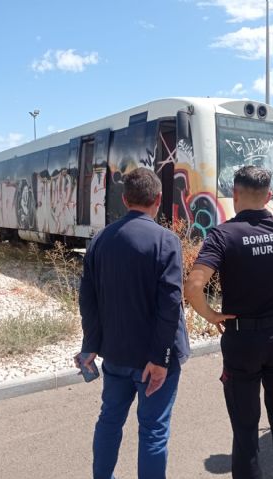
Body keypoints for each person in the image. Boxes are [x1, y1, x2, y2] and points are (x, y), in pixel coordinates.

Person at [185, 165, 273, 479]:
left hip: (243, 340)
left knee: (246, 429)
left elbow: (194, 286)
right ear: (269, 196)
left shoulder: (223, 235)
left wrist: (211, 316)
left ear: (234, 194)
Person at [76, 167, 190, 479]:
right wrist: (160, 357)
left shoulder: (99, 241)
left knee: (109, 421)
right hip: (156, 360)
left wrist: (91, 346)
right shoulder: (166, 241)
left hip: (116, 356)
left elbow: (88, 301)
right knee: (153, 431)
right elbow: (169, 305)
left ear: (125, 199)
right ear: (159, 199)